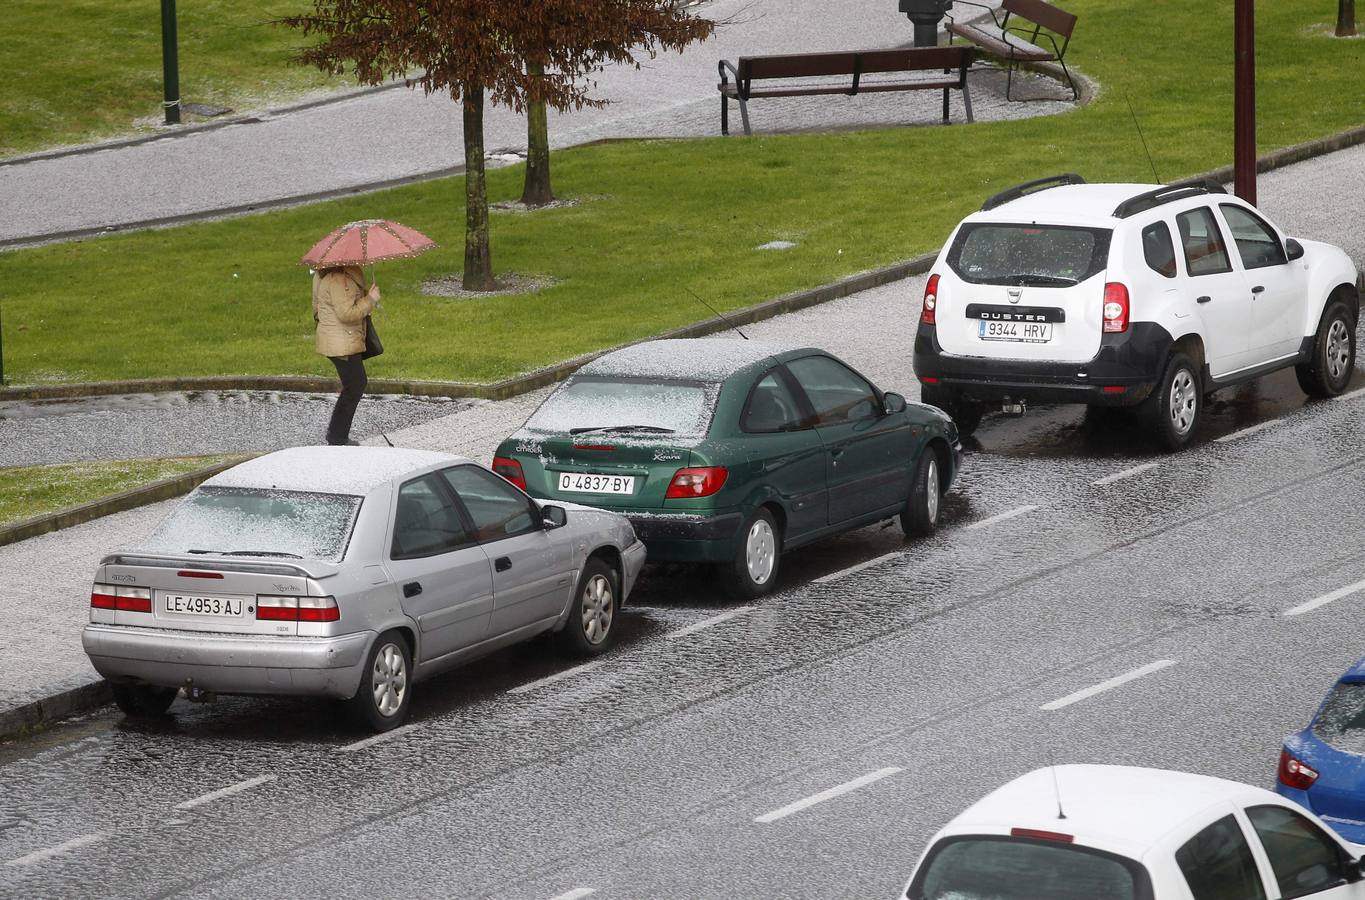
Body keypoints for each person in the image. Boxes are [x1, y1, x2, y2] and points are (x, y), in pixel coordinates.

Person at [312, 265, 381, 446]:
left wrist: (367, 298)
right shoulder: (338, 280)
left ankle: (337, 434)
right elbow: (347, 314)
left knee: (354, 384)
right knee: (356, 384)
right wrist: (370, 300)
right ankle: (337, 436)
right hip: (342, 342)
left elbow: (318, 309)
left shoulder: (328, 276)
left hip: (339, 338)